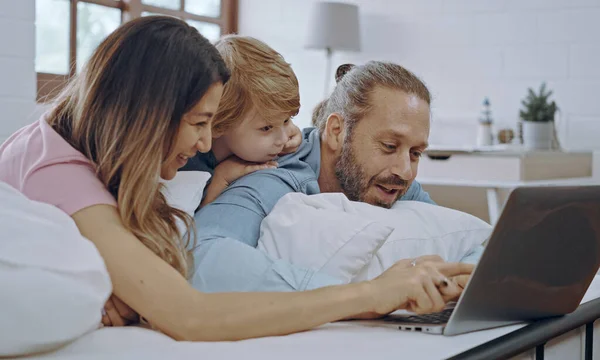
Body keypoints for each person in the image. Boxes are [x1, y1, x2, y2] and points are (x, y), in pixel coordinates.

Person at [0, 16, 472, 341]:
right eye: (199, 122)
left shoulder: (84, 151)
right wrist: (372, 295)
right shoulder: (58, 170)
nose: (206, 145)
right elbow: (188, 314)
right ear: (148, 116)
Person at [188, 61, 483, 294]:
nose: (405, 171)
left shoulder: (391, 180)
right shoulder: (272, 174)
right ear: (337, 131)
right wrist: (364, 295)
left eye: (415, 153)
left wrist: (458, 282)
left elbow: (475, 241)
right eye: (389, 146)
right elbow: (201, 256)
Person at [180, 35, 304, 206]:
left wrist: (292, 131)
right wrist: (220, 179)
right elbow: (184, 226)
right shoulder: (187, 165)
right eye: (267, 128)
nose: (283, 139)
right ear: (218, 123)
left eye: (286, 120)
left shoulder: (248, 139)